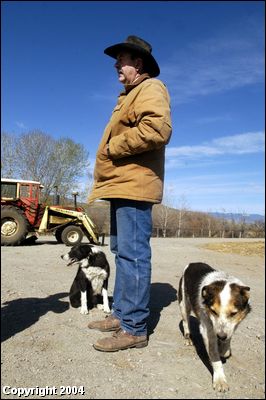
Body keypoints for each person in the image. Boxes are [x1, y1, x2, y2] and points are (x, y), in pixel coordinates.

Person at [87, 35, 172, 352]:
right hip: (123, 183)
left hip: (135, 185)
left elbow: (157, 129)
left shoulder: (151, 88)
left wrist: (112, 147)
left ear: (137, 63)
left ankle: (135, 328)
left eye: (120, 59)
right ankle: (123, 316)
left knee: (133, 255)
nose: (115, 65)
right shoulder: (129, 95)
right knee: (123, 252)